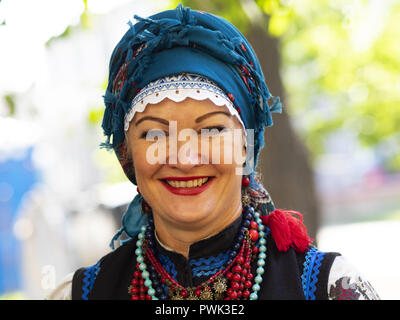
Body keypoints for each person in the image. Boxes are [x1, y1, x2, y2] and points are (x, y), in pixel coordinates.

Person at [48, 4, 379, 300]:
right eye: (154, 133)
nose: (185, 158)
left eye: (211, 130)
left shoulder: (326, 288)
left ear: (245, 146)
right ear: (127, 155)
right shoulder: (82, 293)